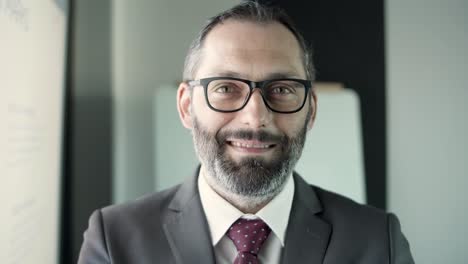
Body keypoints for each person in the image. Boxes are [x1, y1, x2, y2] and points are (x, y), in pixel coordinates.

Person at [78, 1, 414, 263]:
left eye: (281, 89)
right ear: (186, 106)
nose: (255, 117)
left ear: (310, 109)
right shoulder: (114, 239)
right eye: (226, 87)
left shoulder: (376, 242)